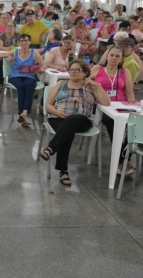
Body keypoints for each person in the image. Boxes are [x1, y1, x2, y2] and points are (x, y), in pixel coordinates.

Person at [40, 60, 110, 186]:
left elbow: (106, 103)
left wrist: (97, 86)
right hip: (57, 117)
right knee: (67, 129)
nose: (73, 72)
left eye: (76, 70)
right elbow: (48, 104)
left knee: (71, 120)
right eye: (71, 69)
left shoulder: (90, 87)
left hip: (82, 120)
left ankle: (51, 148)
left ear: (85, 73)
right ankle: (63, 171)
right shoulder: (61, 84)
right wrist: (56, 112)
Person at [90, 46, 136, 175]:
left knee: (134, 124)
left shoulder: (124, 72)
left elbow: (130, 92)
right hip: (101, 106)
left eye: (117, 56)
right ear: (107, 56)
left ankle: (121, 160)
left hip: (121, 105)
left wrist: (132, 107)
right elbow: (87, 84)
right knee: (110, 121)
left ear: (121, 59)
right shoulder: (97, 69)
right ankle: (123, 161)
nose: (114, 58)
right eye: (112, 55)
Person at [1, 33, 44, 127]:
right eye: (22, 41)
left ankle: (23, 114)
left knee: (30, 86)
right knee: (21, 86)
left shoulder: (34, 52)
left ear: (30, 42)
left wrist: (40, 69)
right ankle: (23, 115)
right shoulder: (16, 51)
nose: (24, 43)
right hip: (15, 76)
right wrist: (8, 56)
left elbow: (43, 64)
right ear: (19, 42)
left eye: (26, 40)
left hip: (29, 76)